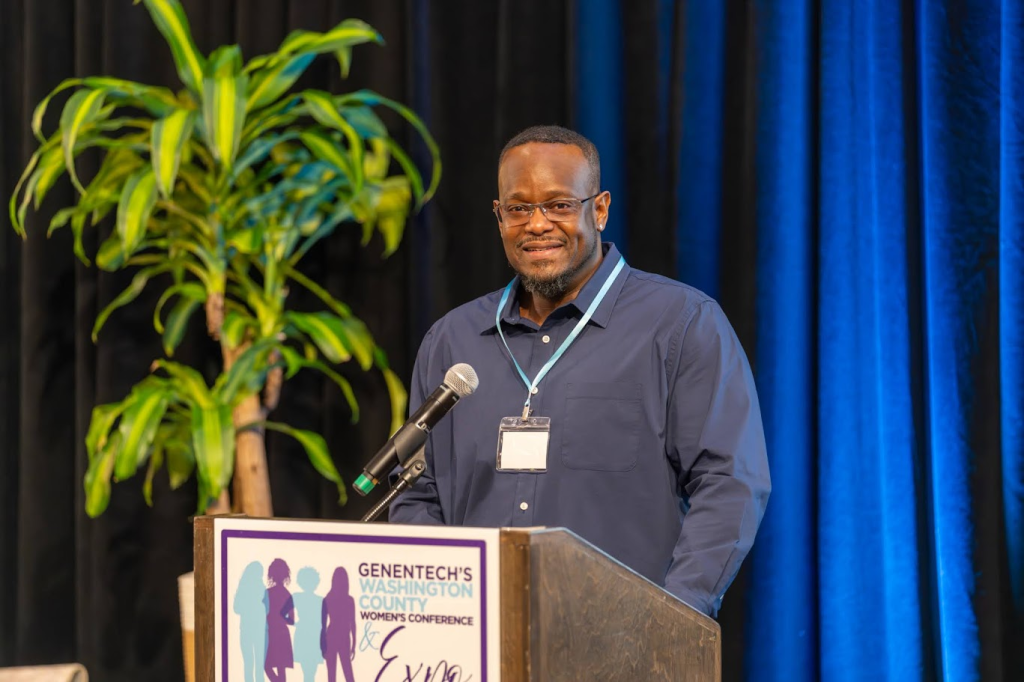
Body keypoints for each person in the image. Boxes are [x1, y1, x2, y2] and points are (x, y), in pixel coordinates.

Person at [389, 125, 770, 618]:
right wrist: (444, 609)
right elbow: (417, 492)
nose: (537, 224)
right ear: (498, 215)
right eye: (518, 208)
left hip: (623, 643)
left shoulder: (680, 325)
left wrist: (673, 616)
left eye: (559, 204)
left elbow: (730, 482)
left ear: (601, 209)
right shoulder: (452, 341)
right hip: (477, 642)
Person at [288, 567, 325, 682]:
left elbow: (282, 614)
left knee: (307, 671)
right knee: (310, 672)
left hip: (304, 633)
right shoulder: (321, 600)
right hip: (314, 634)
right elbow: (323, 624)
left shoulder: (296, 597)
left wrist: (294, 623)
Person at [233, 561, 268, 682]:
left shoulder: (243, 587)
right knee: (258, 662)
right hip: (256, 629)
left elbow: (236, 608)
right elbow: (268, 609)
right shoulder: (261, 587)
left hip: (248, 629)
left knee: (249, 663)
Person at [321, 567, 357, 682]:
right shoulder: (349, 600)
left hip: (331, 637)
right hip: (343, 637)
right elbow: (353, 623)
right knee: (348, 674)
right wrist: (354, 643)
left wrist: (322, 645)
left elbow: (322, 625)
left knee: (332, 676)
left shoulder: (327, 599)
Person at [264, 558, 295, 682]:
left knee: (267, 665)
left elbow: (261, 615)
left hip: (270, 633)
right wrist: (282, 618)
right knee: (280, 668)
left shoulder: (267, 593)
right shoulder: (287, 595)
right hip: (281, 633)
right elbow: (292, 621)